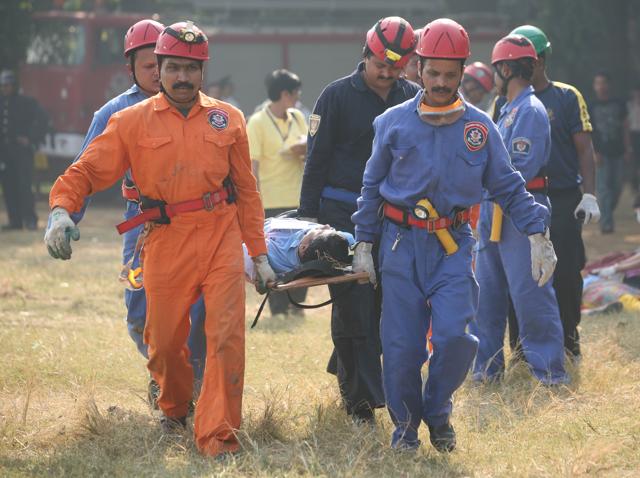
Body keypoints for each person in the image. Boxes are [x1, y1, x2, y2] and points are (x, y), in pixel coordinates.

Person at [44, 21, 274, 457]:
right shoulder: (129, 121)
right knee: (165, 341)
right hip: (164, 239)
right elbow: (88, 170)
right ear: (157, 70)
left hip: (220, 234)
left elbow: (247, 191)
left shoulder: (230, 119)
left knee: (225, 337)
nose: (182, 78)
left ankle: (218, 438)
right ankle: (173, 410)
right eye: (172, 68)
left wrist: (258, 254)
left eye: (191, 68)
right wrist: (60, 210)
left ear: (203, 71)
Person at [351, 18, 557, 453]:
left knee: (456, 338)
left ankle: (438, 410)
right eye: (433, 73)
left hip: (453, 246)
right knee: (402, 346)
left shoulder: (481, 128)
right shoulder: (391, 123)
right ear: (417, 69)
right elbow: (370, 187)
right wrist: (364, 244)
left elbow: (509, 186)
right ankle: (405, 428)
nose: (441, 83)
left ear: (463, 72)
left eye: (450, 74)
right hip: (399, 245)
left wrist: (539, 234)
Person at [44, 19, 208, 405]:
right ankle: (161, 370)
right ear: (130, 68)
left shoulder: (196, 107)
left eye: (164, 62)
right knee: (140, 311)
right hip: (143, 224)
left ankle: (187, 386)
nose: (159, 72)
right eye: (148, 65)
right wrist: (64, 214)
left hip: (197, 225)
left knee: (196, 313)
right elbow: (85, 169)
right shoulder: (114, 114)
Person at [298, 16, 420, 423]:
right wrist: (308, 222)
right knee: (353, 307)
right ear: (365, 54)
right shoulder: (334, 97)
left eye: (396, 67)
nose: (387, 74)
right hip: (341, 217)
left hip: (396, 220)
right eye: (380, 64)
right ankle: (360, 404)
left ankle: (350, 370)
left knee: (387, 309)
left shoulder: (412, 97)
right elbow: (314, 163)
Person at [469, 34, 567, 385]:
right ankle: (485, 370)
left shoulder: (530, 110)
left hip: (521, 213)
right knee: (486, 297)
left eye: (496, 70)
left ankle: (550, 375)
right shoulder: (506, 109)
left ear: (506, 68)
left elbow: (519, 169)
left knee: (531, 297)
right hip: (491, 212)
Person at [506, 25, 600, 360]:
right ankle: (520, 347)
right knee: (519, 275)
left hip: (561, 199)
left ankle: (568, 341)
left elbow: (585, 149)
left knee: (565, 272)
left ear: (541, 60)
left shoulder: (567, 96)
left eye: (527, 60)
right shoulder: (508, 102)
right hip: (520, 201)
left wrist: (589, 193)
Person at [247, 69, 308, 316]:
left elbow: (309, 149)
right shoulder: (258, 122)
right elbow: (253, 166)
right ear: (284, 94)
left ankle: (298, 304)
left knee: (303, 252)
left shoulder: (298, 117)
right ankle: (278, 308)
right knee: (275, 257)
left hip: (298, 197)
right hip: (270, 199)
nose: (298, 98)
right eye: (295, 93)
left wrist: (301, 149)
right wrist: (255, 200)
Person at [0, 69, 48, 230]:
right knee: (9, 186)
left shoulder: (26, 102)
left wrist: (31, 138)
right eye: (3, 85)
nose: (5, 88)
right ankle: (15, 221)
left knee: (24, 185)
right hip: (5, 153)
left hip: (21, 152)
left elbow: (42, 118)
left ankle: (30, 220)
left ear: (14, 86)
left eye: (8, 85)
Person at [243, 217, 353, 283]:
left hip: (253, 231)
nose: (325, 226)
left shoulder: (268, 253)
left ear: (304, 247)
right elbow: (349, 237)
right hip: (262, 227)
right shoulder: (336, 242)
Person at [589, 71, 631, 234]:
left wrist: (628, 149)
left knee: (617, 187)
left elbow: (625, 127)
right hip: (601, 153)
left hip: (618, 152)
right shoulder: (591, 106)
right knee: (604, 188)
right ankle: (606, 223)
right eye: (598, 83)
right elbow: (588, 131)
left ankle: (606, 211)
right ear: (594, 86)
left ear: (609, 85)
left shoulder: (619, 104)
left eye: (603, 83)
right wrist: (594, 152)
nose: (601, 86)